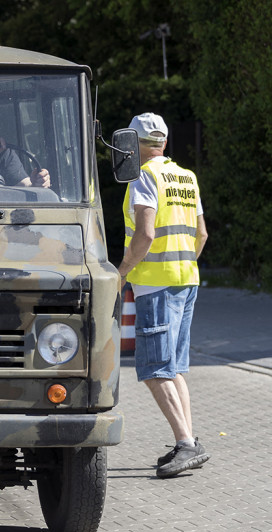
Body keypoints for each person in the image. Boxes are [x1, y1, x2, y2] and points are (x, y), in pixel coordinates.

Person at [116, 112, 210, 478]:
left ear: (134, 146)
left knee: (155, 369)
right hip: (188, 279)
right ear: (164, 142)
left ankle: (185, 443)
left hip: (154, 282)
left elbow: (145, 234)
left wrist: (121, 273)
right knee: (174, 368)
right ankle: (188, 441)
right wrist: (183, 264)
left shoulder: (143, 175)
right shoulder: (187, 176)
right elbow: (201, 235)